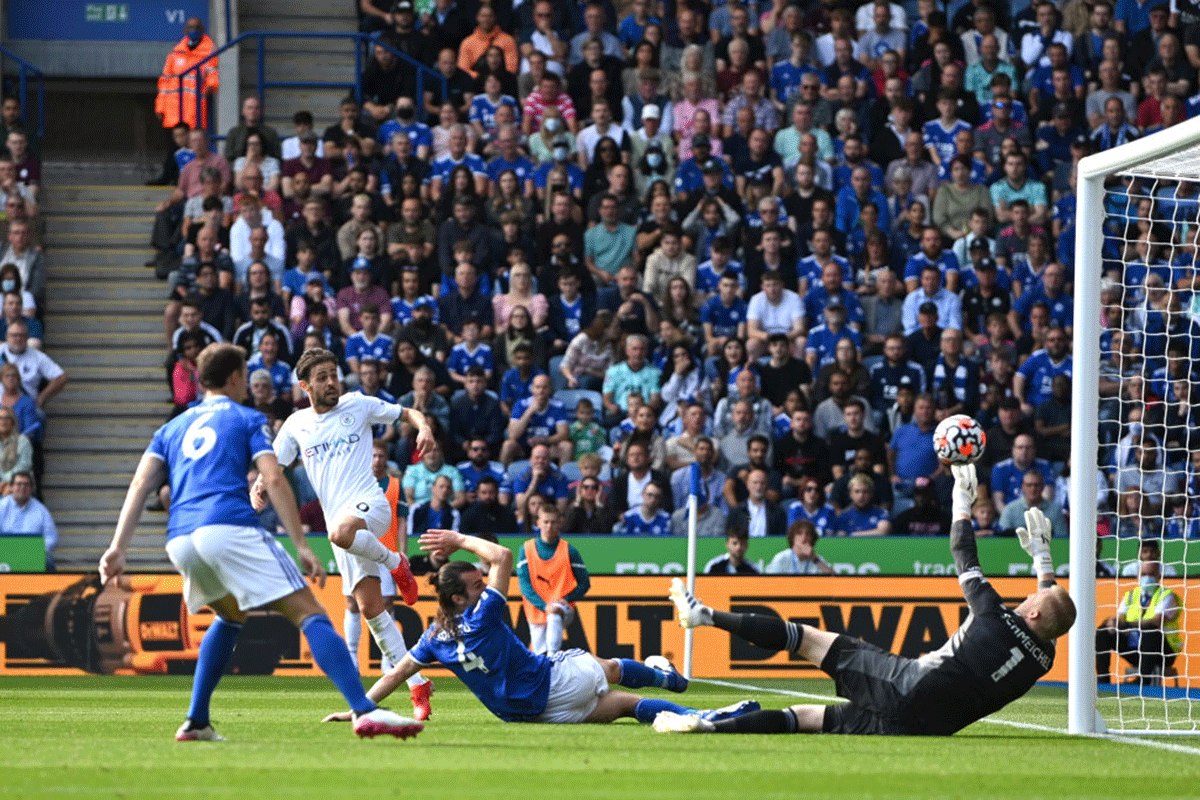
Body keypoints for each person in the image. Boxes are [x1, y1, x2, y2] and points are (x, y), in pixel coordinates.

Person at [100, 343, 421, 741]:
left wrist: (117, 547)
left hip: (180, 538)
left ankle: (197, 720)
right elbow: (272, 477)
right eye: (244, 374)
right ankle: (364, 710)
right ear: (234, 378)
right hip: (227, 527)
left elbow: (140, 483)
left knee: (229, 616)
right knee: (310, 612)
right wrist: (302, 544)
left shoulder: (173, 426)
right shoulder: (247, 418)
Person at [655, 465, 1077, 736]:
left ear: (1034, 609)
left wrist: (961, 503)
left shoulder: (994, 619)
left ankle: (704, 614)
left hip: (906, 686)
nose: (1030, 593)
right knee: (803, 718)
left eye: (1035, 594)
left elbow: (963, 554)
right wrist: (1043, 561)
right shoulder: (1043, 658)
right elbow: (1050, 619)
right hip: (927, 727)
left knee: (803, 638)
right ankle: (702, 730)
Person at [323, 527, 759, 725]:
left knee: (626, 704)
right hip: (552, 685)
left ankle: (704, 716)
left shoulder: (435, 638)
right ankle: (671, 681)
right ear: (459, 597)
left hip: (531, 716)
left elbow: (396, 673)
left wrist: (357, 707)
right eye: (475, 584)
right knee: (605, 668)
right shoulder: (485, 613)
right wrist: (458, 540)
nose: (483, 585)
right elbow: (504, 558)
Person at [251, 347, 435, 721]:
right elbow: (274, 464)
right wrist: (258, 487)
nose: (332, 382)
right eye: (322, 377)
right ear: (305, 386)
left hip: (371, 506)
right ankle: (418, 685)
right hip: (347, 529)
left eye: (334, 374)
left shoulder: (358, 405)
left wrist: (425, 427)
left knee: (338, 532)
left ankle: (396, 562)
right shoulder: (296, 424)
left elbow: (408, 412)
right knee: (372, 611)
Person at [518, 503, 589, 655]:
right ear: (538, 523)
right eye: (546, 522)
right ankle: (548, 666)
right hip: (536, 608)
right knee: (539, 652)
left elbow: (585, 583)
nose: (549, 526)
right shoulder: (526, 549)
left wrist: (568, 598)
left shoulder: (569, 550)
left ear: (560, 523)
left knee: (554, 613)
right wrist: (544, 606)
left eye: (553, 522)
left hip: (562, 606)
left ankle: (553, 656)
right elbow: (524, 585)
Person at [1096, 559, 1182, 684]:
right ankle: (1103, 680)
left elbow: (1156, 621)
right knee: (1103, 631)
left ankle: (1143, 680)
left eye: (1151, 574)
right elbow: (1120, 618)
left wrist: (1128, 625)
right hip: (1136, 648)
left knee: (1150, 630)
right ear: (1138, 576)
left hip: (1163, 652)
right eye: (1143, 574)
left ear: (1159, 576)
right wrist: (1113, 623)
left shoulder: (1167, 595)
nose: (1147, 578)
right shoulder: (1131, 595)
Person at [154, 18, 219, 132]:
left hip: (194, 113)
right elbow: (164, 83)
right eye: (190, 27)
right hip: (173, 113)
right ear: (185, 30)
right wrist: (160, 107)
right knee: (175, 149)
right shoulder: (175, 53)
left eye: (196, 27)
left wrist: (211, 86)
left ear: (202, 30)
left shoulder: (209, 52)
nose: (193, 30)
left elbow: (213, 75)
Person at [0, 471, 55, 569]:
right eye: (19, 484)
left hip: (32, 555)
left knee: (48, 560)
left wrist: (35, 551)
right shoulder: (1, 507)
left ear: (31, 488)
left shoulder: (41, 510)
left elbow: (52, 537)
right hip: (4, 554)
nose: (22, 487)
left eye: (26, 484)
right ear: (11, 487)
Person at [765, 520, 833, 575]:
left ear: (812, 538)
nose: (804, 537)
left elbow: (835, 581)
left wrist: (814, 559)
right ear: (793, 538)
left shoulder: (817, 559)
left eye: (808, 534)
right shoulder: (781, 558)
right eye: (799, 533)